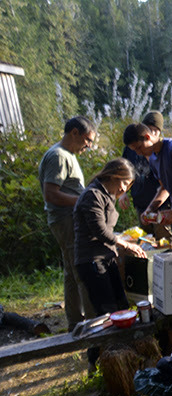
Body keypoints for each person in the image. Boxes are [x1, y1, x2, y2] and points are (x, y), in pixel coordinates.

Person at [73, 158, 148, 370]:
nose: (125, 189)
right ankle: (98, 360)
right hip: (92, 260)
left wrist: (122, 241)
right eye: (124, 183)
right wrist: (124, 243)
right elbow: (98, 230)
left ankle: (124, 355)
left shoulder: (107, 195)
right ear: (114, 176)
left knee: (121, 306)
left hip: (107, 257)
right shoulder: (92, 195)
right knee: (106, 311)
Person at [38, 115, 97, 331]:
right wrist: (84, 201)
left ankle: (75, 322)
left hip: (66, 220)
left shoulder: (66, 155)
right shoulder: (58, 156)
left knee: (72, 272)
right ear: (74, 133)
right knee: (82, 270)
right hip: (65, 220)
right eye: (87, 140)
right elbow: (51, 194)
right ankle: (91, 324)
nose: (88, 146)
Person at [122, 111, 172, 246]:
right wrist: (150, 208)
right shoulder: (153, 158)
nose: (139, 153)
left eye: (139, 148)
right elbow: (164, 188)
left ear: (148, 137)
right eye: (134, 150)